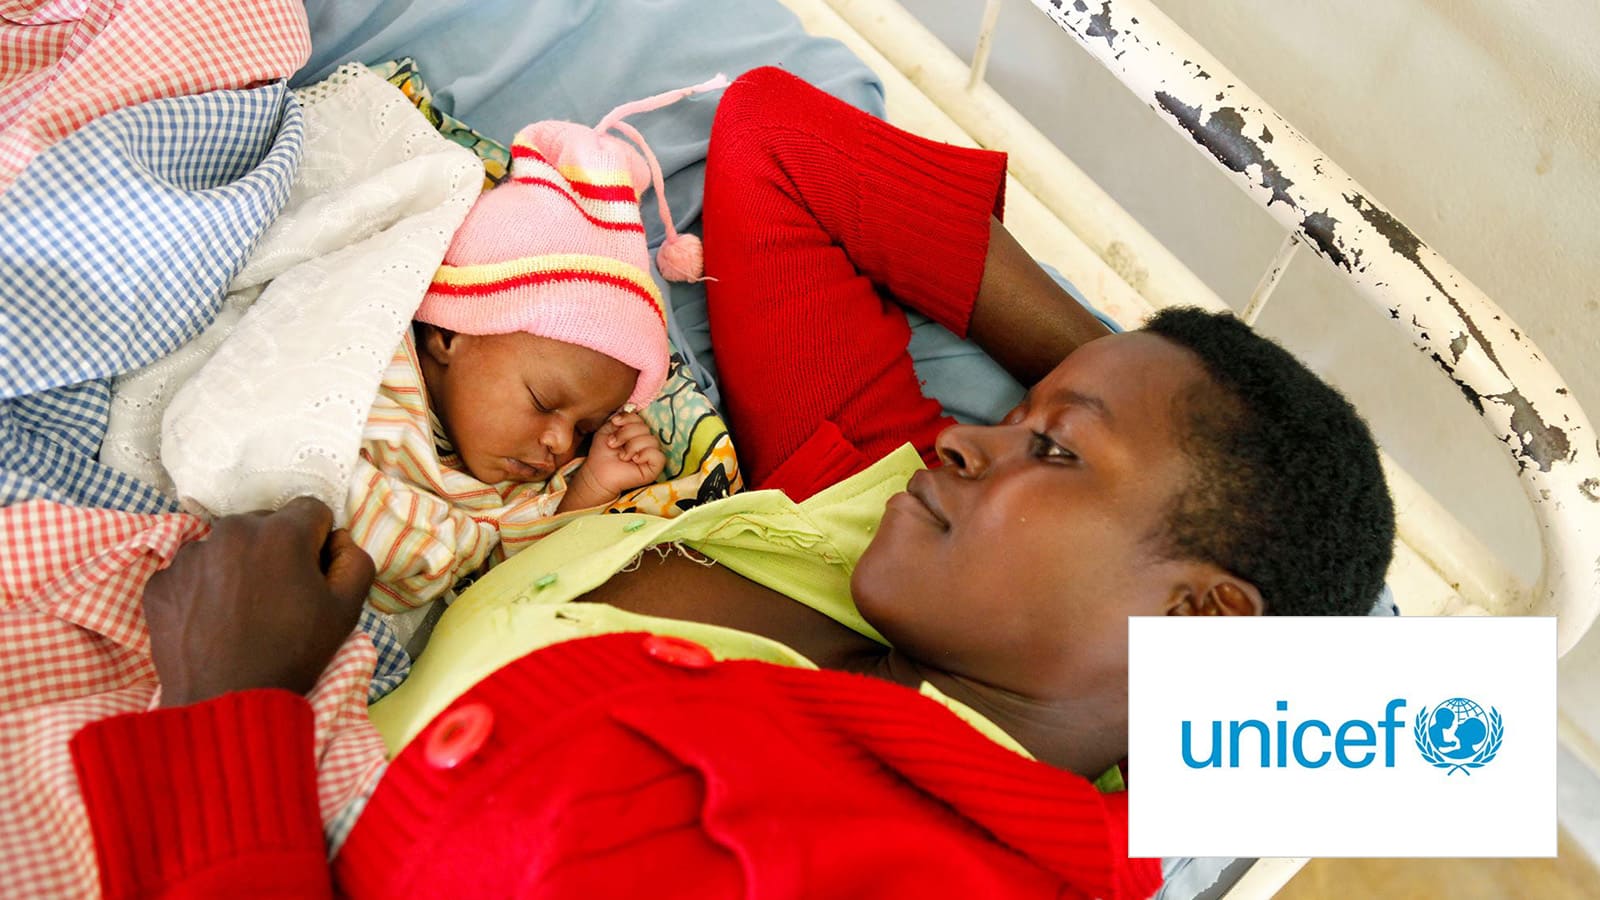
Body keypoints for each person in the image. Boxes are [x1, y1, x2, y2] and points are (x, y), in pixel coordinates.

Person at [66, 67, 1394, 898]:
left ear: (1208, 625)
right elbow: (777, 143)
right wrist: (1138, 394)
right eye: (1023, 423)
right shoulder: (873, 504)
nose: (963, 437)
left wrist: (224, 717)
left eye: (1045, 450)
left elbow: (1431, 714)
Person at [347, 82, 726, 616]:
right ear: (450, 334)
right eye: (546, 403)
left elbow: (504, 582)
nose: (558, 441)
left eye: (584, 431)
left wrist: (590, 485)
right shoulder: (366, 359)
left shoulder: (518, 493)